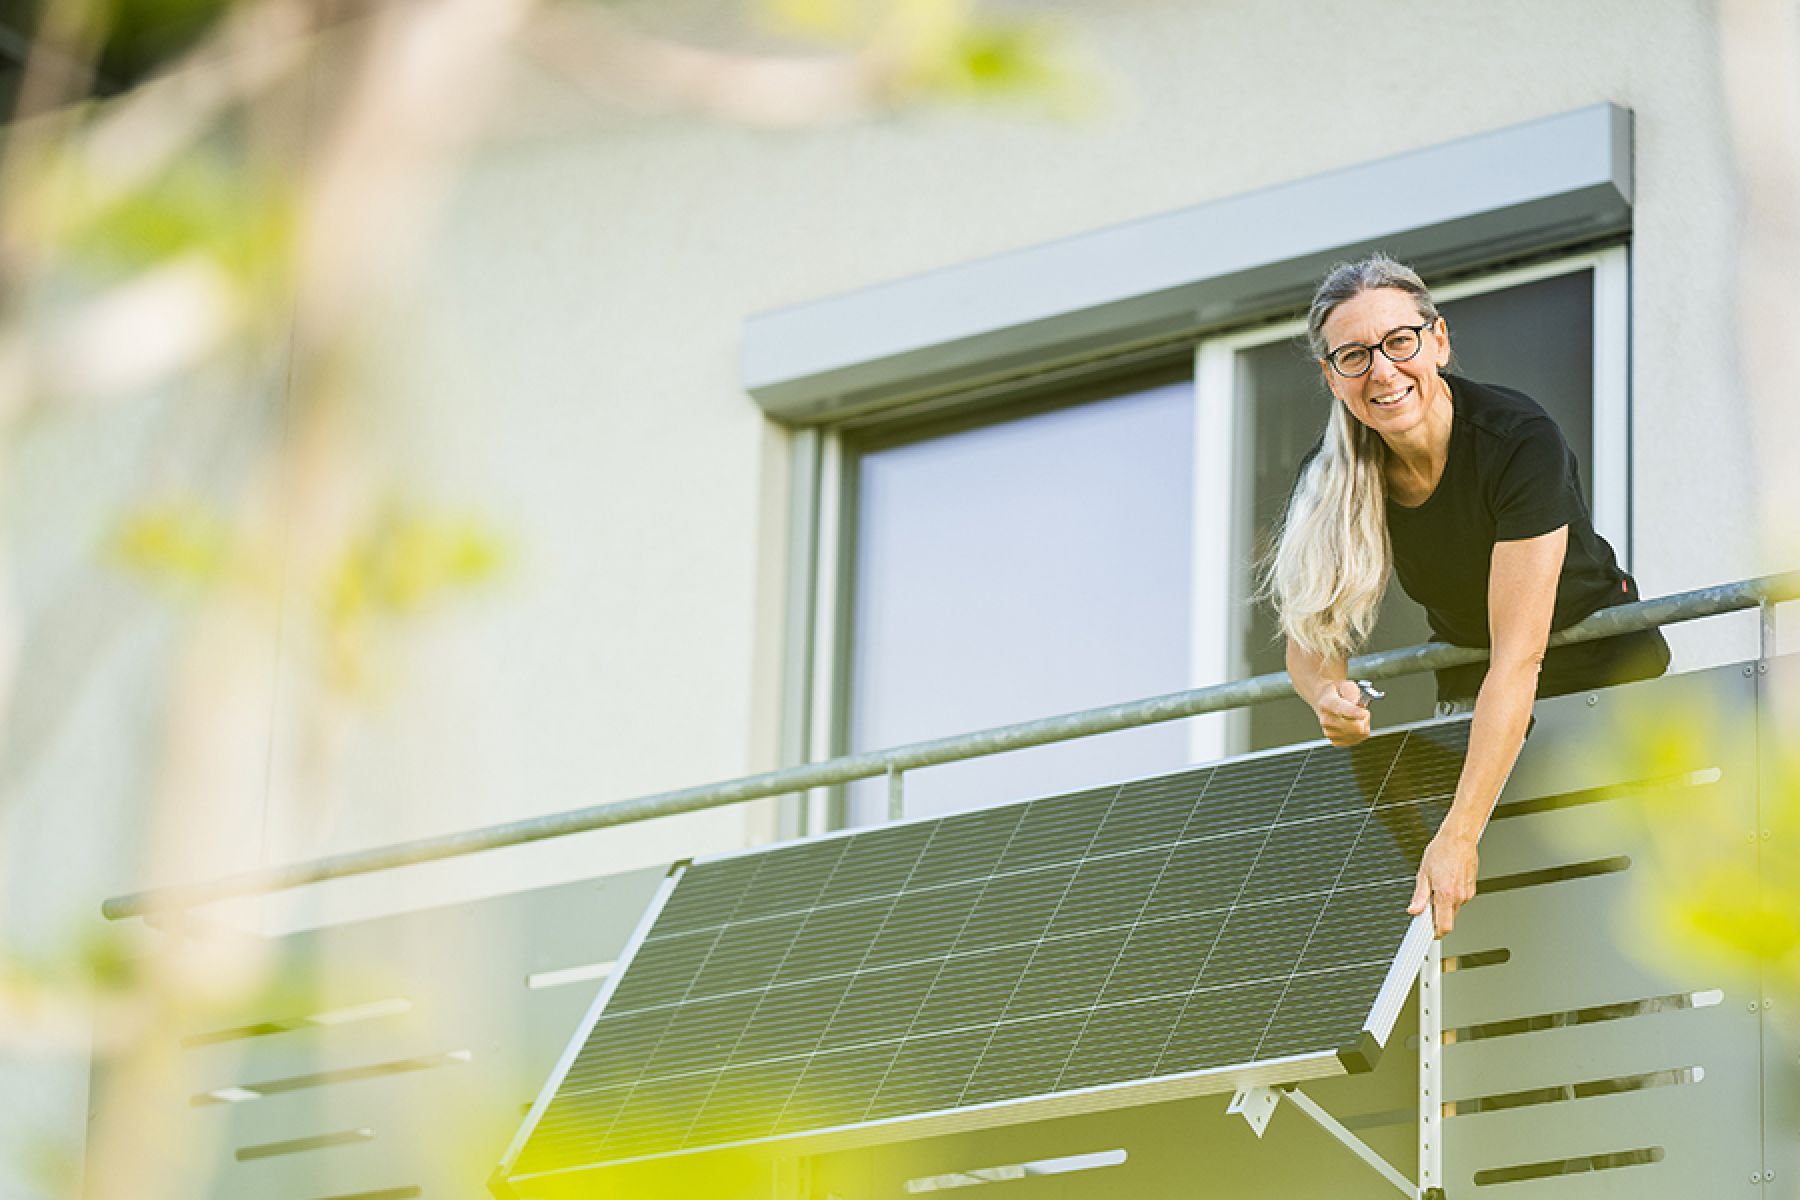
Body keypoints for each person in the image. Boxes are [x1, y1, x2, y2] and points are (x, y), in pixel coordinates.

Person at [1265, 254, 1668, 939]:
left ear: (1439, 340)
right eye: (1354, 356)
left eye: (1399, 341)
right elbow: (1310, 647)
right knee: (1505, 919)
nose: (1383, 372)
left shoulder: (1518, 440)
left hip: (1599, 674)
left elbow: (1520, 657)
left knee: (1609, 912)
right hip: (1473, 678)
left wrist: (1458, 832)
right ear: (1332, 377)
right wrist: (1326, 695)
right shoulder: (1330, 476)